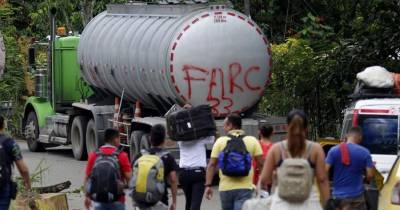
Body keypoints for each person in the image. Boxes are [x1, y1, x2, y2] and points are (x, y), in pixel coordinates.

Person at [259, 109, 330, 210]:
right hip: (309, 204)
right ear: (307, 128)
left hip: (281, 205)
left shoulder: (277, 149)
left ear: (287, 127)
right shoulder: (316, 149)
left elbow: (265, 178)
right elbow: (322, 179)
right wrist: (326, 204)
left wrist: (276, 175)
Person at [204, 114, 263, 210]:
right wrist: (261, 183)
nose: (223, 128)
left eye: (225, 125)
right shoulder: (252, 140)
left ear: (230, 125)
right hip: (245, 187)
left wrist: (208, 185)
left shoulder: (220, 142)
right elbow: (261, 164)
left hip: (225, 188)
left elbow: (212, 165)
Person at [325, 127, 374, 210]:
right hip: (357, 198)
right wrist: (365, 179)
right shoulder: (365, 152)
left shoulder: (333, 151)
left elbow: (324, 171)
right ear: (360, 137)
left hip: (338, 198)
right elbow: (370, 175)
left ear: (347, 136)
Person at [178, 103, 215, 210]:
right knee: (195, 204)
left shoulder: (180, 139)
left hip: (184, 174)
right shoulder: (200, 138)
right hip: (197, 173)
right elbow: (213, 137)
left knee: (188, 203)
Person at [84, 128, 132, 210]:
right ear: (116, 139)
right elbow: (129, 178)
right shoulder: (122, 155)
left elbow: (87, 178)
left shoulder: (94, 155)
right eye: (119, 138)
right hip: (117, 200)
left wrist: (87, 196)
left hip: (98, 200)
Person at [134, 124, 178, 210]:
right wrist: (174, 202)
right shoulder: (168, 157)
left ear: (150, 139)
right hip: (160, 202)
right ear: (164, 140)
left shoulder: (140, 156)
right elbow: (173, 179)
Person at [0, 116, 31, 210]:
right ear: (3, 125)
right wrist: (27, 185)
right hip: (2, 187)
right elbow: (23, 169)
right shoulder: (10, 143)